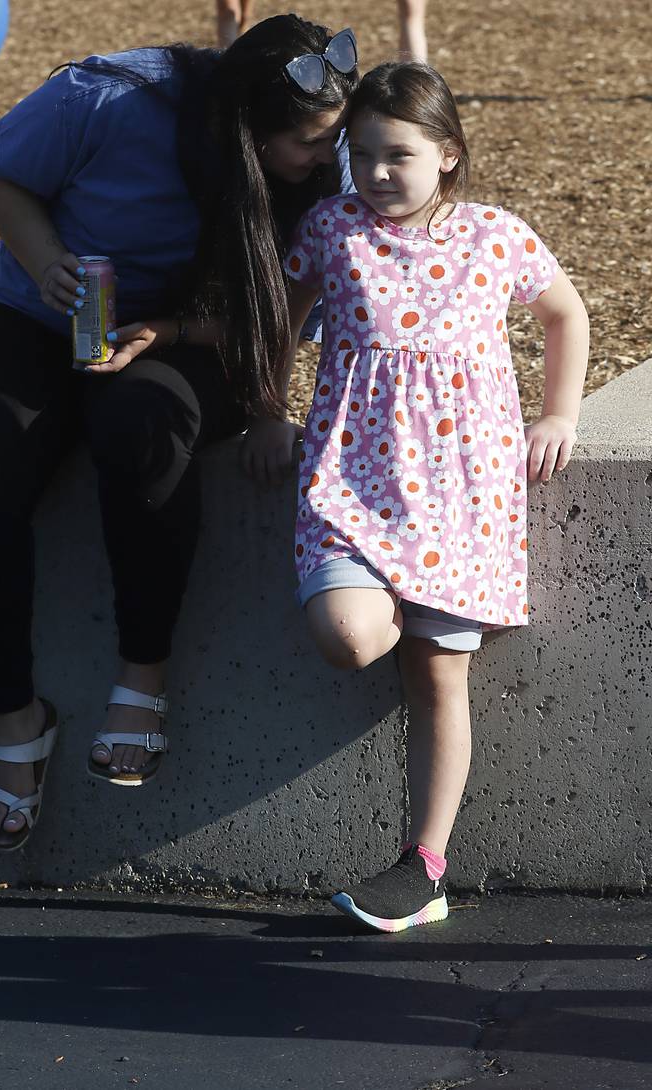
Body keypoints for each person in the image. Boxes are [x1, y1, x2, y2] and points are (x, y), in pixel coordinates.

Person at [0, 15, 359, 850]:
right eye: (307, 142)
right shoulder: (110, 99)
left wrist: (184, 344)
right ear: (243, 132)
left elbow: (279, 317)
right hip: (34, 312)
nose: (325, 158)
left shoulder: (325, 165)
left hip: (191, 335)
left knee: (143, 429)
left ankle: (143, 675)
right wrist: (46, 255)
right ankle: (15, 720)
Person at [245, 61, 589, 930]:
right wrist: (267, 413)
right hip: (349, 482)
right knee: (351, 635)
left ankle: (425, 866)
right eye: (360, 155)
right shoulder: (333, 229)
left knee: (441, 677)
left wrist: (558, 414)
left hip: (459, 496)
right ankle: (390, 597)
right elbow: (281, 319)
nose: (377, 173)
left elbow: (565, 314)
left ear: (447, 153)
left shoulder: (495, 237)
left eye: (397, 154)